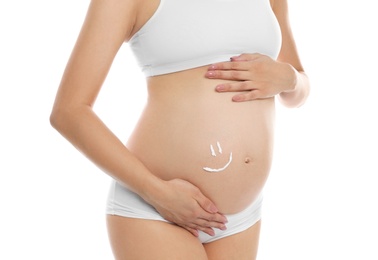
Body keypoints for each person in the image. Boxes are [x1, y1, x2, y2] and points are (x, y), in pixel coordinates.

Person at [50, 0, 310, 258]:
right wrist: (155, 191)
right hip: (157, 210)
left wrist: (289, 79)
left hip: (241, 218)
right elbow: (69, 111)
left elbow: (298, 88)